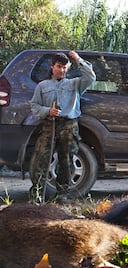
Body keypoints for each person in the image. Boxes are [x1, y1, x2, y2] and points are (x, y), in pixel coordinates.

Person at [29, 51, 96, 203]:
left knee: (66, 161)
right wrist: (48, 111)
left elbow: (91, 76)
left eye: (65, 67)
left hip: (69, 125)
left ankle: (62, 195)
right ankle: (36, 196)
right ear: (52, 67)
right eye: (59, 66)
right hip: (49, 124)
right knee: (41, 160)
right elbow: (34, 106)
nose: (62, 70)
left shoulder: (75, 84)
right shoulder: (42, 86)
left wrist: (78, 59)